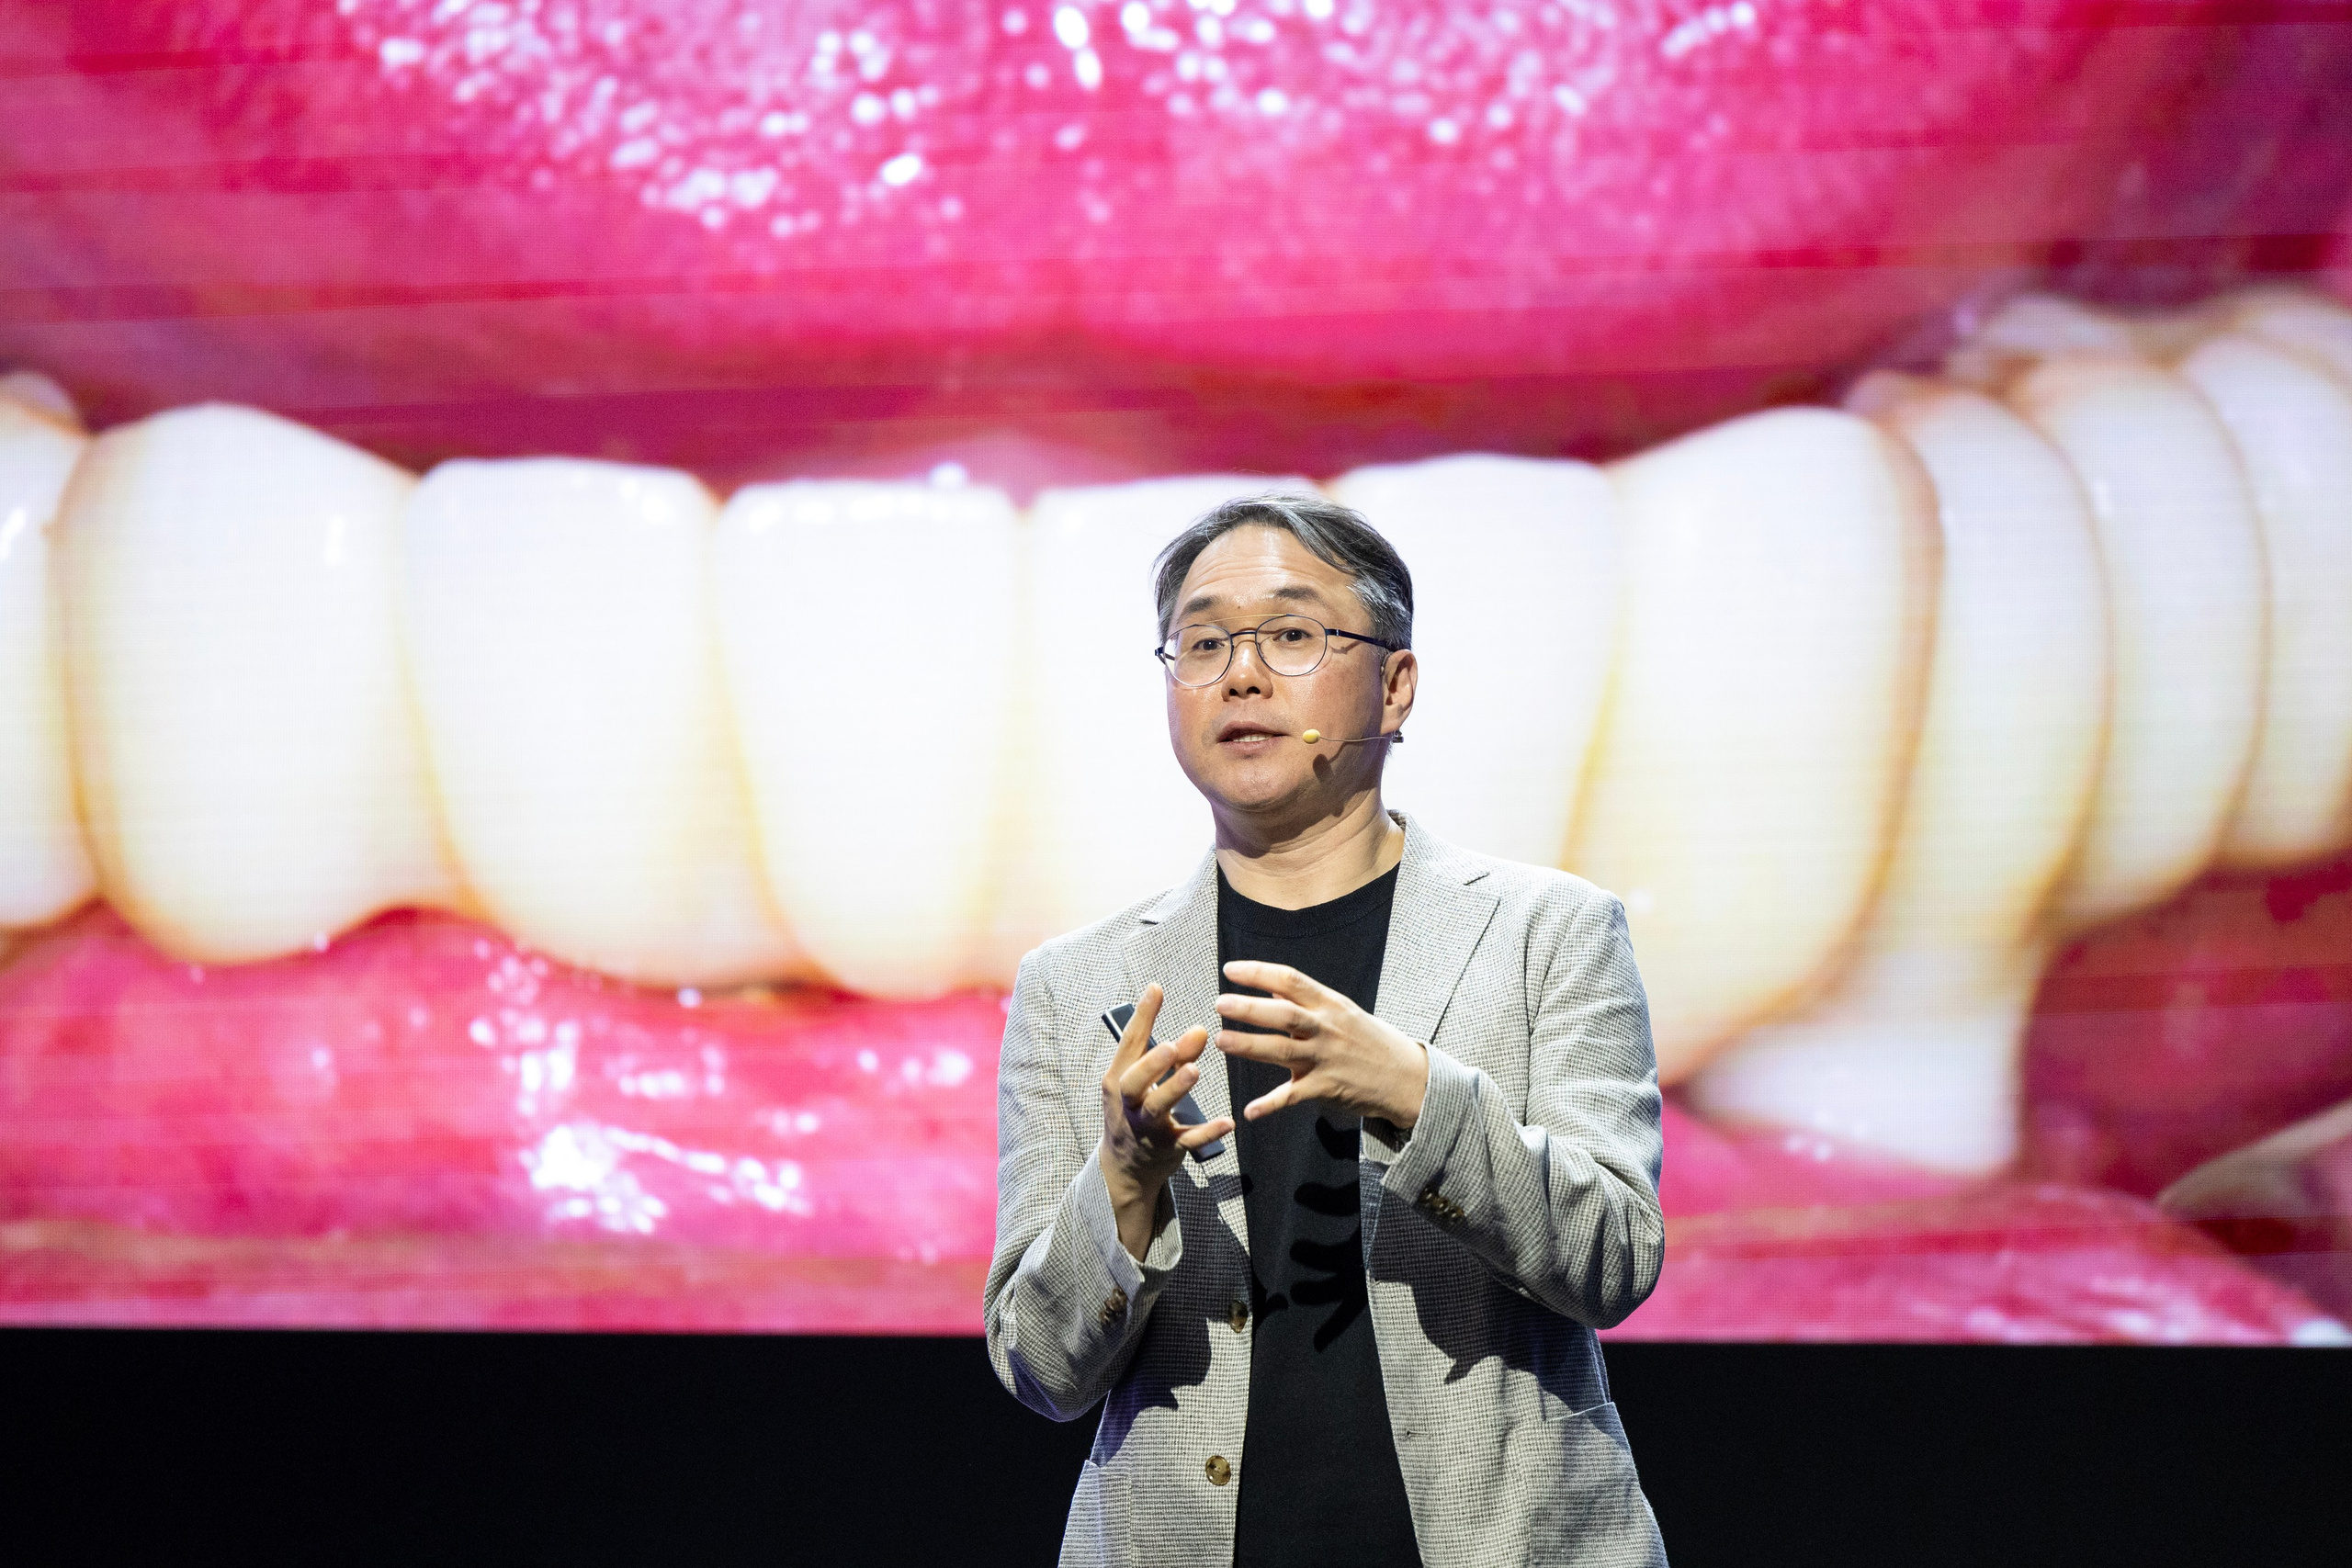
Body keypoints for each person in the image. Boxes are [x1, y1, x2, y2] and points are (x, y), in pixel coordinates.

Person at [985, 494, 1668, 1567]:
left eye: (1292, 635)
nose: (1241, 675)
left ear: (1395, 686)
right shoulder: (1077, 986)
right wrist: (1122, 1178)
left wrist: (1415, 1095)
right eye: (1203, 643)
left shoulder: (1550, 930)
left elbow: (1614, 1261)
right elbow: (1038, 1366)